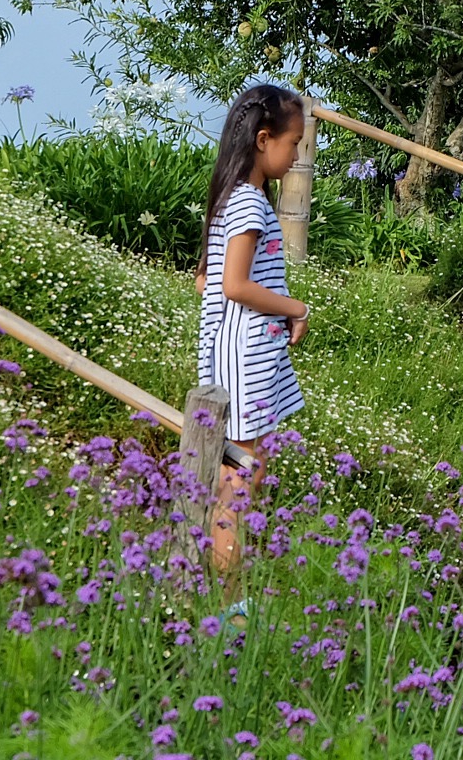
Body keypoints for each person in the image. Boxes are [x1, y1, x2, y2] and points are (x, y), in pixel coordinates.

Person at [194, 83, 310, 577]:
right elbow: (233, 284)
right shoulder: (247, 202)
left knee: (237, 485)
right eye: (294, 144)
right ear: (264, 140)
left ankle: (222, 597)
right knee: (236, 494)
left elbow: (205, 282)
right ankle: (228, 609)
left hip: (241, 359)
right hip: (244, 367)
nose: (296, 155)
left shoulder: (232, 196)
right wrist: (295, 307)